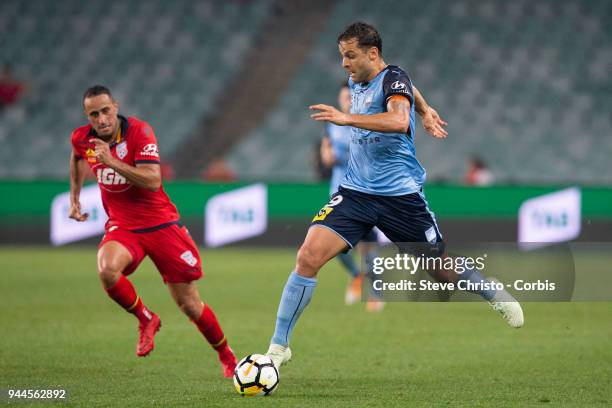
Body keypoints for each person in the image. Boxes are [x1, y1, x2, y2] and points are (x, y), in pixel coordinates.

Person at [266, 22, 524, 369]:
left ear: (372, 53)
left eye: (350, 55)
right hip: (355, 193)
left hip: (400, 198)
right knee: (308, 257)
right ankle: (278, 348)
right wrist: (425, 107)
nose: (344, 64)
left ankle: (489, 289)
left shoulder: (391, 78)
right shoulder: (361, 79)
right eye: (342, 56)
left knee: (439, 269)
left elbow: (398, 120)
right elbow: (412, 92)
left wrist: (348, 118)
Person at [69, 85, 237, 377]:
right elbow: (76, 157)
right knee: (107, 270)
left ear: (116, 107)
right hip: (124, 226)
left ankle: (226, 356)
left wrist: (111, 161)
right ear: (88, 117)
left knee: (189, 304)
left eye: (106, 111)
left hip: (161, 224)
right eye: (94, 114)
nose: (102, 119)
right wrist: (74, 198)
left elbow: (152, 180)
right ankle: (146, 318)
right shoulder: (82, 138)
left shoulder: (139, 132)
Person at [319, 83, 383, 311]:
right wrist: (328, 155)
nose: (346, 101)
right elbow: (326, 153)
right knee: (334, 245)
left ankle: (375, 292)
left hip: (364, 192)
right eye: (344, 97)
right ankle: (356, 275)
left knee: (367, 246)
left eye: (350, 97)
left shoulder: (367, 124)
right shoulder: (331, 125)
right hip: (338, 192)